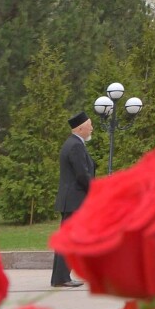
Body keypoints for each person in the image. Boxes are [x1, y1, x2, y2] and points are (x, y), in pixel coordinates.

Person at [50, 111, 96, 287]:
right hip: (75, 201)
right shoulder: (76, 145)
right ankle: (62, 278)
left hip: (72, 200)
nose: (92, 128)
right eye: (90, 125)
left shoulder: (73, 144)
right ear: (81, 127)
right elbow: (82, 175)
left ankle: (61, 277)